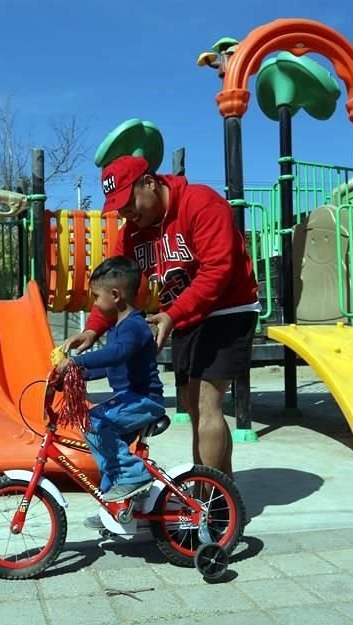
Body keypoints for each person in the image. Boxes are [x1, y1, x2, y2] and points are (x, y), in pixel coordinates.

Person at [65, 155, 259, 478]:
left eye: (130, 203)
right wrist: (93, 329)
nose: (127, 213)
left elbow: (218, 271)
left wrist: (172, 315)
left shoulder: (201, 204)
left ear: (150, 182)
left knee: (204, 402)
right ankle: (224, 496)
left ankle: (205, 502)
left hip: (228, 308)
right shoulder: (130, 235)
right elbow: (114, 286)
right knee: (193, 403)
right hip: (184, 314)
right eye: (119, 208)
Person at [55, 256, 165, 526]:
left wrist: (77, 361)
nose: (94, 303)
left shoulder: (134, 327)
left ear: (115, 295)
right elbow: (112, 367)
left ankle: (133, 476)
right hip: (130, 400)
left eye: (96, 297)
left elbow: (116, 355)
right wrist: (76, 374)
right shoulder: (118, 328)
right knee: (104, 448)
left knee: (93, 423)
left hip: (144, 400)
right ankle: (114, 508)